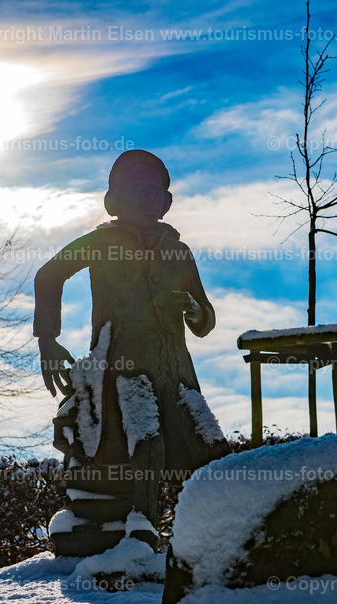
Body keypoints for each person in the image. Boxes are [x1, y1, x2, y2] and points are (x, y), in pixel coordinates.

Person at [34, 150, 229, 544]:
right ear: (114, 200)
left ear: (166, 201)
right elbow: (49, 274)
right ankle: (141, 523)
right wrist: (48, 339)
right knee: (143, 440)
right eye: (135, 189)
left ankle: (217, 533)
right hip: (122, 368)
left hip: (175, 371)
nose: (146, 197)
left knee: (207, 448)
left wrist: (194, 310)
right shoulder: (102, 243)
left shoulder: (179, 251)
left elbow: (206, 319)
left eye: (154, 190)